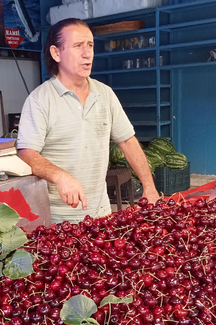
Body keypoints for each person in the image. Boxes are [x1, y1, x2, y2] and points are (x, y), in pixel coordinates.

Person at [17, 18, 160, 223]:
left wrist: (149, 186)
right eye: (77, 46)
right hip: (56, 218)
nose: (87, 53)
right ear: (56, 53)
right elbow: (27, 154)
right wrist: (60, 176)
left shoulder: (105, 94)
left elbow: (127, 141)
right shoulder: (40, 100)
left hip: (100, 212)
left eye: (90, 45)